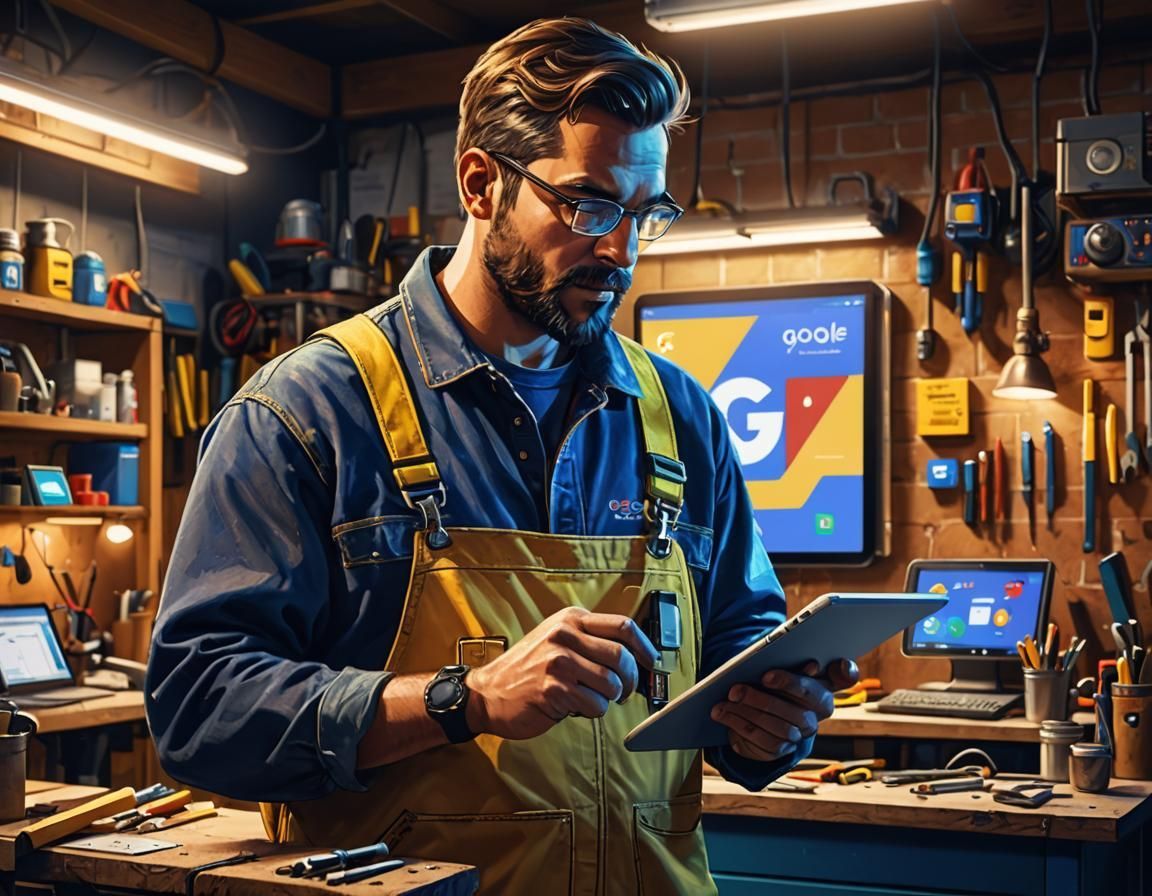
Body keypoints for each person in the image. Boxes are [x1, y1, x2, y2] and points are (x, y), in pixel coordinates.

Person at [146, 16, 857, 894]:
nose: (620, 251)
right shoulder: (308, 412)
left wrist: (770, 723)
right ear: (481, 183)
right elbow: (198, 709)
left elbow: (738, 644)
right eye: (589, 204)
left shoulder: (683, 418)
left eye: (647, 215)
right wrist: (463, 700)